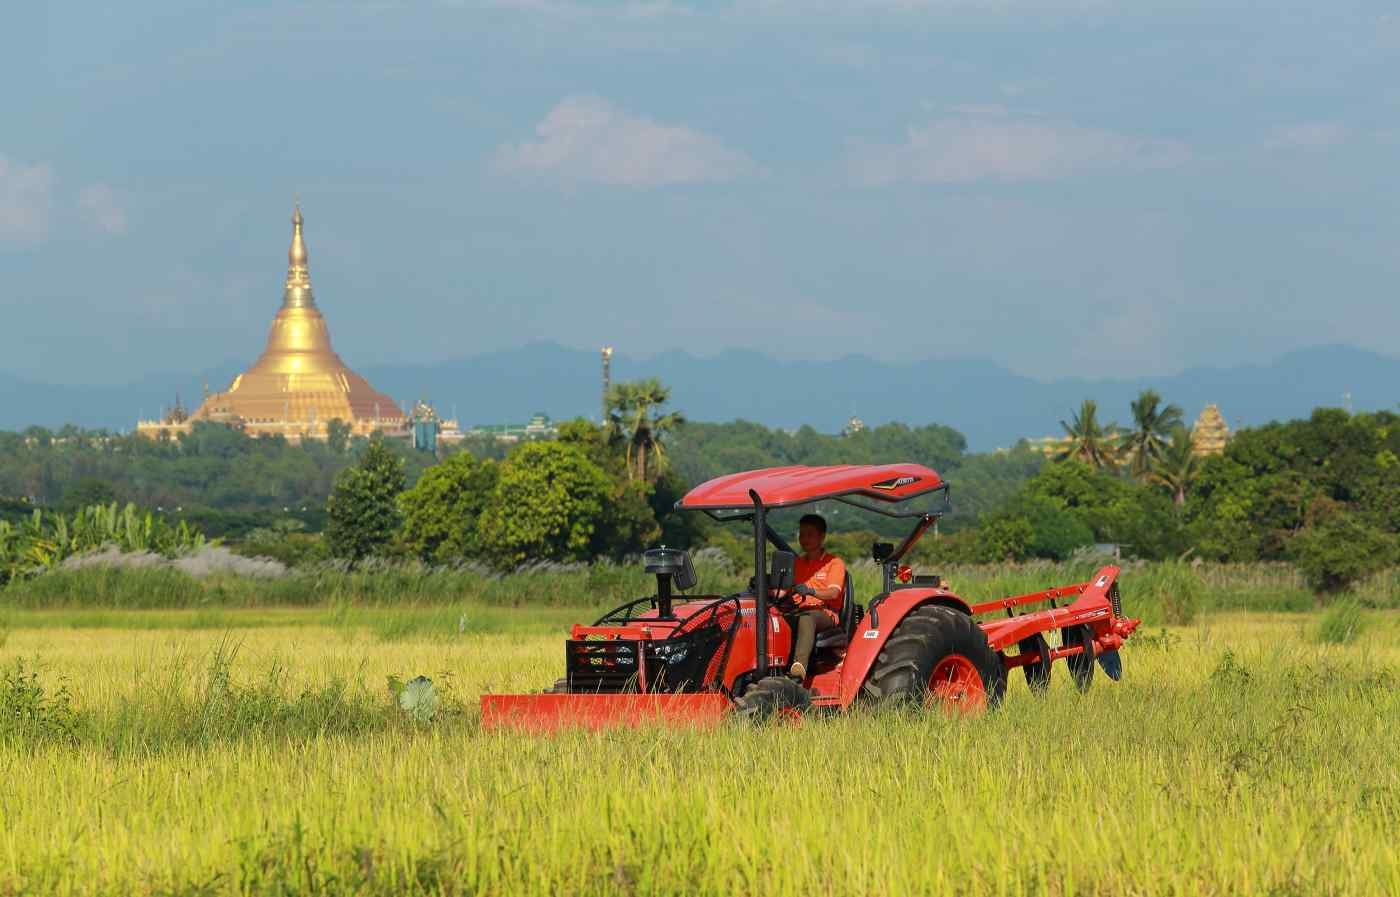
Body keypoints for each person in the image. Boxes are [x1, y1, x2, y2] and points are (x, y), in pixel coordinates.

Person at [787, 513, 846, 680]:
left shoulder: (834, 563)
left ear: (822, 537)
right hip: (797, 609)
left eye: (809, 534)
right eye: (802, 534)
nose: (804, 539)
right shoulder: (797, 563)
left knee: (807, 617)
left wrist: (810, 591)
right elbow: (785, 591)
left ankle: (798, 669)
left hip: (824, 613)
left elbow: (833, 593)